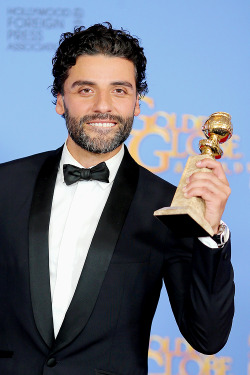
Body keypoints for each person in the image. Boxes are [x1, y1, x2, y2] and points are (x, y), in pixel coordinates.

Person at [0, 23, 234, 375]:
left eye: (120, 91)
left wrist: (209, 232)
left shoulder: (169, 204)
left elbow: (208, 336)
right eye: (85, 90)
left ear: (138, 102)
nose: (103, 107)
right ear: (59, 100)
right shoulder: (5, 184)